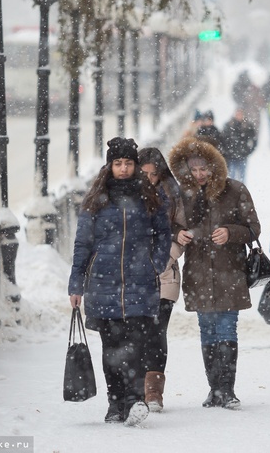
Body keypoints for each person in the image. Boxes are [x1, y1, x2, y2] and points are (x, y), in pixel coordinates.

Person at [68, 137, 171, 426]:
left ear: (135, 165)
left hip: (141, 283)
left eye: (128, 163)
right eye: (118, 163)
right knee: (111, 348)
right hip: (103, 284)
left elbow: (164, 233)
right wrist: (76, 283)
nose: (123, 168)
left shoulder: (150, 196)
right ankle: (115, 403)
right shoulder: (97, 198)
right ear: (109, 166)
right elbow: (82, 243)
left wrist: (155, 262)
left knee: (138, 345)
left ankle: (134, 400)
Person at [168, 136, 261, 410]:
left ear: (214, 167)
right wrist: (179, 233)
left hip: (229, 271)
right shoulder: (181, 196)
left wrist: (231, 233)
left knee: (226, 327)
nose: (199, 175)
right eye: (193, 169)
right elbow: (166, 225)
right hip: (198, 272)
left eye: (204, 169)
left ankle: (227, 390)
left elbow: (254, 228)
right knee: (207, 330)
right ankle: (214, 389)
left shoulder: (235, 190)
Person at [138, 147, 185, 413]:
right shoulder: (130, 195)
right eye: (143, 173)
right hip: (134, 274)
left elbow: (182, 233)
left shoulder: (173, 194)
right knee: (136, 332)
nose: (149, 179)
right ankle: (136, 387)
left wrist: (162, 259)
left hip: (165, 272)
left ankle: (153, 391)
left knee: (156, 331)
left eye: (153, 174)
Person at [221, 108, 258, 182]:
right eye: (237, 114)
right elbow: (223, 139)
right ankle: (233, 192)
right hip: (231, 155)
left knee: (242, 177)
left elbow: (254, 140)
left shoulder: (248, 126)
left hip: (243, 155)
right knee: (232, 177)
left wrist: (249, 151)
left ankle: (242, 192)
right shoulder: (228, 125)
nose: (239, 116)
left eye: (240, 114)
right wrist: (226, 150)